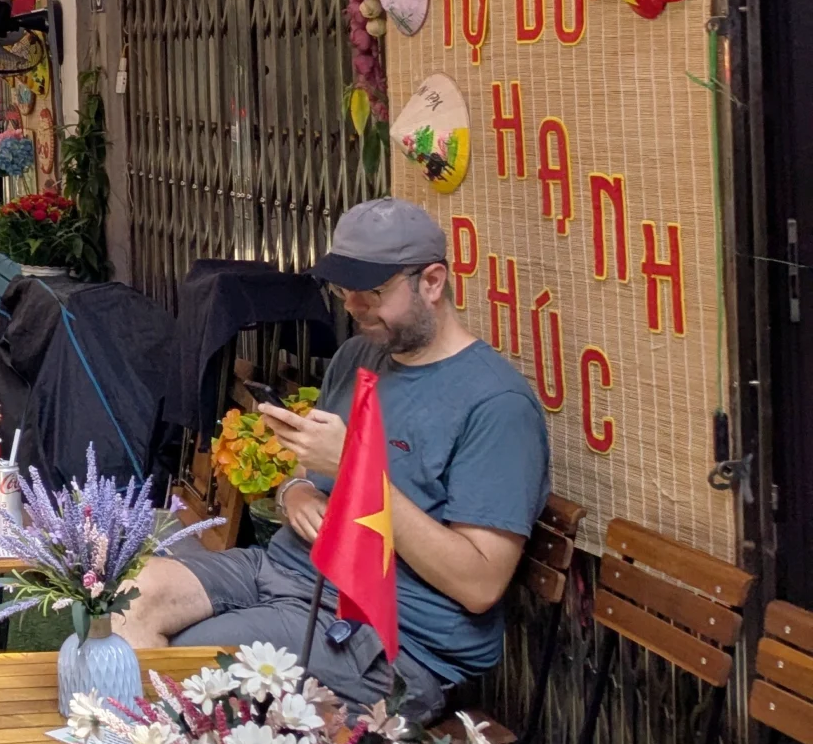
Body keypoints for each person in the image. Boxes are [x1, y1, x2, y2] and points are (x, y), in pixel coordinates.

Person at [121, 196, 550, 714]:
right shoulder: (359, 355)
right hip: (287, 572)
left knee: (190, 667)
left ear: (432, 282)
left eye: (370, 291)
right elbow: (308, 468)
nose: (351, 306)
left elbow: (479, 584)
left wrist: (357, 468)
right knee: (125, 602)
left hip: (386, 634)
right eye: (343, 289)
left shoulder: (497, 405)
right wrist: (294, 489)